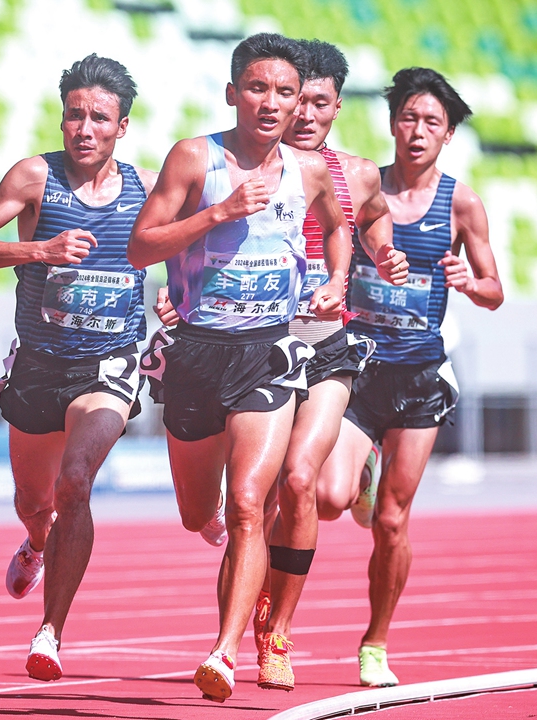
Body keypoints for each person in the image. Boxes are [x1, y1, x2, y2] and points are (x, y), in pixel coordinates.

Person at [153, 39, 408, 693]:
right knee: (245, 503)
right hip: (242, 339)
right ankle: (238, 635)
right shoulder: (239, 161)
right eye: (297, 101)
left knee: (297, 485)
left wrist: (361, 269)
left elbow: (368, 221)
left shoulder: (350, 172)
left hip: (317, 343)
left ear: (334, 106)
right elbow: (175, 238)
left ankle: (271, 636)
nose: (303, 114)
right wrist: (184, 286)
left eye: (317, 102)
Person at [128, 33, 351, 703]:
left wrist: (336, 281)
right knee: (199, 512)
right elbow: (141, 247)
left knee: (251, 504)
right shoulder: (194, 158)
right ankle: (212, 530)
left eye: (285, 92)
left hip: (268, 352)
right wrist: (219, 213)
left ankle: (225, 652)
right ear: (232, 93)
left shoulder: (310, 171)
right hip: (197, 353)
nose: (271, 102)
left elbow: (339, 226)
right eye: (257, 88)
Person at [0, 54, 156, 683]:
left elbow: (188, 248)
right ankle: (37, 543)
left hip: (109, 366)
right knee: (34, 502)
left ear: (122, 126)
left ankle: (50, 632)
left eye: (100, 118)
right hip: (39, 367)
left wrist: (180, 296)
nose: (85, 128)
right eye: (74, 115)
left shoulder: (149, 188)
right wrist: (39, 248)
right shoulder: (34, 178)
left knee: (75, 482)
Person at [315, 66, 504, 688]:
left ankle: (375, 642)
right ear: (392, 124)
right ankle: (361, 470)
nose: (418, 131)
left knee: (392, 521)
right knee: (328, 499)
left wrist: (469, 282)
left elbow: (495, 290)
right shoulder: (359, 186)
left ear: (448, 135)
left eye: (432, 123)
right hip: (359, 369)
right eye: (408, 118)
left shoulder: (461, 203)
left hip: (420, 377)